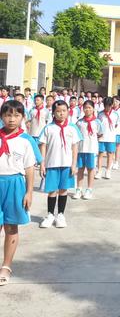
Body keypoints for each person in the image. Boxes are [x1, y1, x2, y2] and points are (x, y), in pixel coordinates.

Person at [0, 100, 37, 286]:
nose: (11, 119)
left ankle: (6, 266)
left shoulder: (25, 141)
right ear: (2, 117)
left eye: (16, 115)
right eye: (8, 115)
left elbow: (30, 168)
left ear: (22, 117)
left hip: (15, 184)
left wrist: (29, 192)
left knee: (11, 227)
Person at [38, 100, 82, 228]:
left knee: (63, 190)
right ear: (53, 113)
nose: (61, 114)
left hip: (66, 164)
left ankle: (61, 215)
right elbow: (43, 146)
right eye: (58, 111)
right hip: (52, 163)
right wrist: (42, 163)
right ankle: (50, 215)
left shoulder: (72, 128)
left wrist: (74, 164)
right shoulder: (48, 128)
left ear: (68, 112)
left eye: (64, 111)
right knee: (52, 190)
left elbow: (75, 147)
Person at [74, 100, 103, 200]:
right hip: (81, 149)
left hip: (92, 149)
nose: (87, 109)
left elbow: (100, 133)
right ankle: (78, 189)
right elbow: (76, 135)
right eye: (85, 107)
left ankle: (89, 189)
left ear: (93, 109)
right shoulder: (79, 122)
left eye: (89, 107)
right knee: (80, 169)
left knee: (91, 169)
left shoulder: (97, 122)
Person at [96, 97, 118, 180]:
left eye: (109, 106)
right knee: (100, 154)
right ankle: (99, 171)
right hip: (102, 137)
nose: (107, 108)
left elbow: (116, 125)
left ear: (112, 105)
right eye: (105, 106)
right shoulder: (100, 114)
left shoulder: (115, 114)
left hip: (111, 137)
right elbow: (98, 125)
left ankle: (108, 171)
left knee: (110, 154)